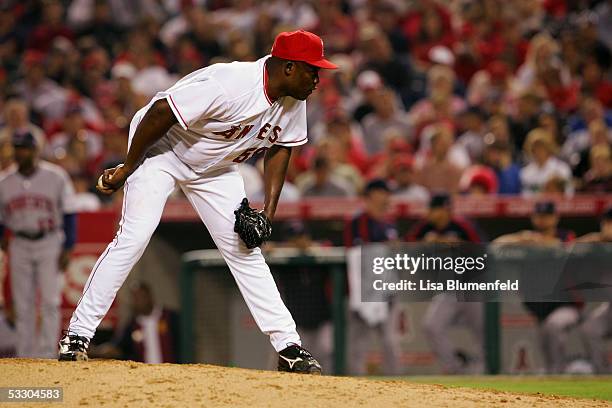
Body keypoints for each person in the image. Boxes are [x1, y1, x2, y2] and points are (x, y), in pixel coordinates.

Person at [58, 30, 338, 375]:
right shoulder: (230, 83)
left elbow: (281, 147)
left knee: (246, 251)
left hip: (216, 168)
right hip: (161, 150)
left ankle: (288, 347)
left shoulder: (295, 99)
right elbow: (160, 112)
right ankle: (78, 335)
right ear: (290, 68)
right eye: (313, 70)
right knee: (134, 237)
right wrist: (128, 167)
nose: (318, 78)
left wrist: (268, 211)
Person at [0, 130, 77, 358]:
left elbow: (70, 213)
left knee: (50, 302)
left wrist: (68, 246)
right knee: (22, 305)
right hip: (19, 242)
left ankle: (46, 355)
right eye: (17, 148)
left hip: (49, 241)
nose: (20, 152)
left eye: (24, 147)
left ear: (35, 150)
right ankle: (25, 355)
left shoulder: (56, 176)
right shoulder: (5, 181)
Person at [495, 201, 580, 374]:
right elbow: (497, 244)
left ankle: (560, 371)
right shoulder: (528, 238)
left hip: (568, 304)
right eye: (539, 216)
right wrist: (522, 238)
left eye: (547, 216)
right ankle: (554, 375)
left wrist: (535, 241)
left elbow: (563, 247)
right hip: (540, 306)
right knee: (543, 340)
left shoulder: (565, 236)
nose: (543, 220)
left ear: (555, 218)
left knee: (554, 326)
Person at [406, 193, 485, 374]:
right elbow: (406, 244)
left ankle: (485, 371)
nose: (435, 214)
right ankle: (455, 367)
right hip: (449, 289)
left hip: (473, 286)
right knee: (431, 326)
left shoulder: (462, 225)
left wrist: (458, 245)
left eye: (439, 209)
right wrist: (424, 244)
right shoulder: (425, 227)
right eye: (434, 210)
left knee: (483, 334)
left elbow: (483, 251)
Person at [345, 179, 402, 375]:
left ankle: (400, 385)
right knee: (360, 343)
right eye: (382, 192)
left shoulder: (390, 223)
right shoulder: (358, 222)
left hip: (387, 292)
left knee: (390, 341)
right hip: (365, 291)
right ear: (370, 196)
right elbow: (358, 257)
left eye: (387, 192)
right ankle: (356, 386)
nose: (386, 196)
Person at [91, 282, 180, 363]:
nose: (139, 301)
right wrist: (98, 351)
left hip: (171, 371)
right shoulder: (132, 325)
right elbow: (118, 346)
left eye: (141, 296)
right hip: (145, 375)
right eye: (135, 298)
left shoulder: (169, 317)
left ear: (149, 296)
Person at [577, 208, 612, 374]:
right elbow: (568, 248)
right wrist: (594, 239)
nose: (608, 227)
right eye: (606, 223)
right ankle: (603, 375)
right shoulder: (598, 243)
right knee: (589, 329)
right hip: (609, 308)